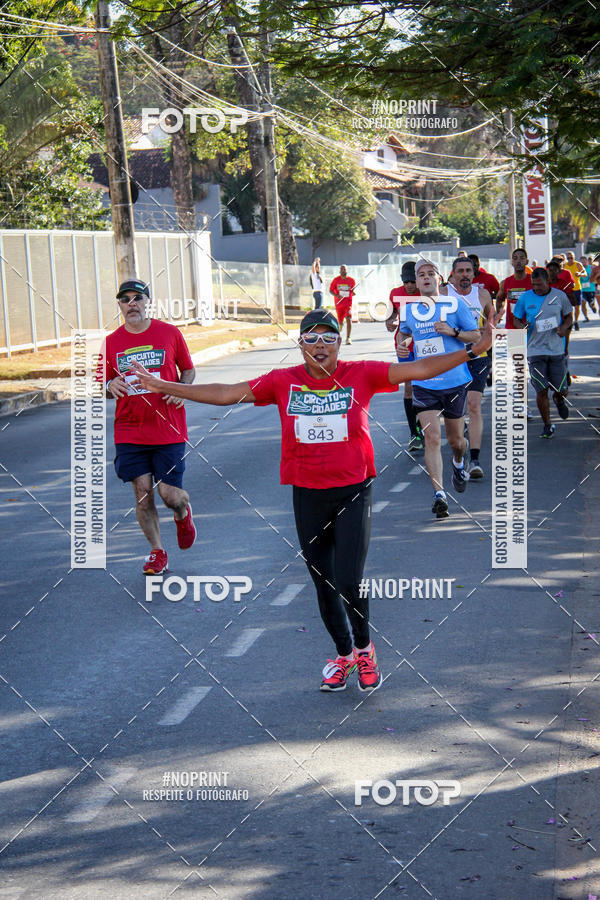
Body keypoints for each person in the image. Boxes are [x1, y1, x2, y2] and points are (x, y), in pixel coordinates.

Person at [130, 307, 494, 690]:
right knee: (324, 582)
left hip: (354, 490)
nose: (320, 345)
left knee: (350, 581)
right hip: (307, 494)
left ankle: (365, 649)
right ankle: (344, 655)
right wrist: (164, 385)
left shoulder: (361, 374)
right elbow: (226, 393)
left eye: (328, 337)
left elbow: (419, 369)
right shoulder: (282, 381)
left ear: (339, 343)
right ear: (301, 344)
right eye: (311, 338)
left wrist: (473, 350)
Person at [103, 279, 197, 575]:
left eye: (137, 298)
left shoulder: (169, 333)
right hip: (130, 430)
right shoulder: (111, 342)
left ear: (148, 302)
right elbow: (103, 383)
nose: (132, 304)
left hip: (168, 427)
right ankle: (157, 552)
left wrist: (181, 389)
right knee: (143, 494)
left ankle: (183, 513)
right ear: (119, 305)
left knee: (171, 496)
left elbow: (188, 370)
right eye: (125, 299)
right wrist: (109, 384)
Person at [397, 259, 482, 519]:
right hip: (424, 382)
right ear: (417, 281)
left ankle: (459, 462)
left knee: (457, 442)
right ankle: (439, 494)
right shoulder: (409, 310)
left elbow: (476, 336)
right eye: (420, 274)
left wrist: (453, 332)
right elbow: (403, 334)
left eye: (430, 273)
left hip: (454, 382)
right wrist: (402, 345)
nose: (425, 277)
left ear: (439, 278)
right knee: (432, 438)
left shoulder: (455, 305)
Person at [445, 257, 494, 480]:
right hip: (453, 358)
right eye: (460, 271)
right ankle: (459, 449)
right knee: (457, 409)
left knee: (474, 405)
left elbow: (491, 327)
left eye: (468, 271)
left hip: (478, 357)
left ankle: (474, 460)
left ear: (474, 274)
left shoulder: (482, 295)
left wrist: (489, 348)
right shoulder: (443, 295)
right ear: (453, 274)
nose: (464, 274)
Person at [512, 268, 572, 439]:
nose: (536, 288)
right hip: (535, 351)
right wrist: (521, 327)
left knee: (561, 389)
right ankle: (547, 425)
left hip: (556, 350)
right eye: (533, 284)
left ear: (548, 281)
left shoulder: (559, 296)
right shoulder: (525, 298)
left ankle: (559, 399)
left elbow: (569, 316)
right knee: (541, 389)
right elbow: (516, 318)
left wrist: (564, 327)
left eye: (539, 285)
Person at [385, 260, 424, 451]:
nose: (409, 285)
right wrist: (390, 321)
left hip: (426, 344)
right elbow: (391, 315)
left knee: (426, 385)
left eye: (412, 281)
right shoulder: (395, 293)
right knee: (409, 387)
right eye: (406, 282)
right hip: (404, 345)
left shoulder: (426, 292)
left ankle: (426, 423)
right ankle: (414, 433)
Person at [496, 247, 532, 329]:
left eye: (522, 258)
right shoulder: (505, 282)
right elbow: (499, 299)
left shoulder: (534, 281)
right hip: (511, 328)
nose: (518, 261)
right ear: (512, 262)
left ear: (527, 261)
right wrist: (499, 313)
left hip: (530, 328)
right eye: (515, 258)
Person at [329, 265, 356, 344]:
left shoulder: (352, 280)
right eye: (342, 269)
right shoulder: (336, 280)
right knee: (340, 321)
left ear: (347, 270)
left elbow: (352, 291)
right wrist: (336, 295)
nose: (343, 271)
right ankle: (340, 324)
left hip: (348, 303)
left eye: (345, 269)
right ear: (340, 271)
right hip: (339, 304)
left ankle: (348, 338)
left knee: (348, 318)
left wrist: (353, 293)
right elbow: (330, 290)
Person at [564, 251, 587, 330]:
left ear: (574, 257)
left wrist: (580, 274)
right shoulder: (565, 265)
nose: (570, 259)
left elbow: (585, 273)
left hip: (577, 288)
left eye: (571, 257)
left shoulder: (578, 264)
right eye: (568, 258)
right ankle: (570, 322)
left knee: (577, 307)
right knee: (569, 308)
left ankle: (576, 321)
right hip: (568, 290)